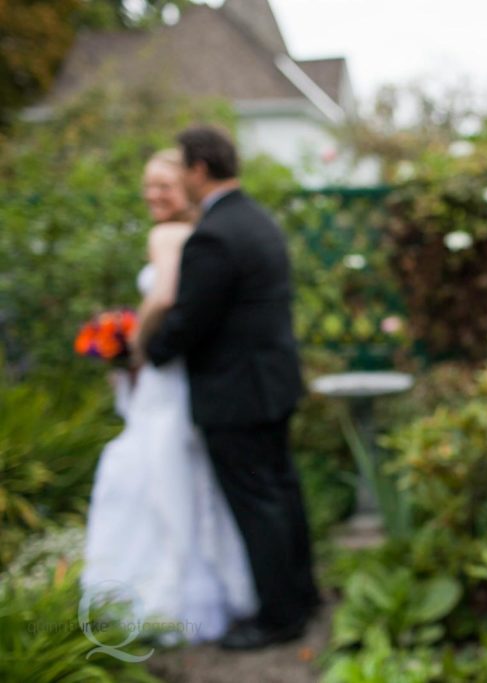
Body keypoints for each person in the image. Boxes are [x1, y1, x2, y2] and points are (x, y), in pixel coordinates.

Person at [145, 125, 319, 650]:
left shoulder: (215, 234)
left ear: (199, 171)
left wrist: (149, 353)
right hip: (273, 382)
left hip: (236, 394)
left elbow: (191, 319)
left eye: (182, 168)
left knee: (258, 504)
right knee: (282, 493)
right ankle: (302, 595)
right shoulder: (259, 220)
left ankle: (279, 617)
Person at [82, 149, 257, 645]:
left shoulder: (168, 235)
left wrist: (133, 343)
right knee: (187, 477)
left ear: (187, 185)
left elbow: (162, 297)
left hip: (164, 375)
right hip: (188, 378)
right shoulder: (207, 233)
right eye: (148, 186)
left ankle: (161, 595)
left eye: (164, 185)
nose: (153, 195)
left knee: (145, 473)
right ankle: (210, 592)